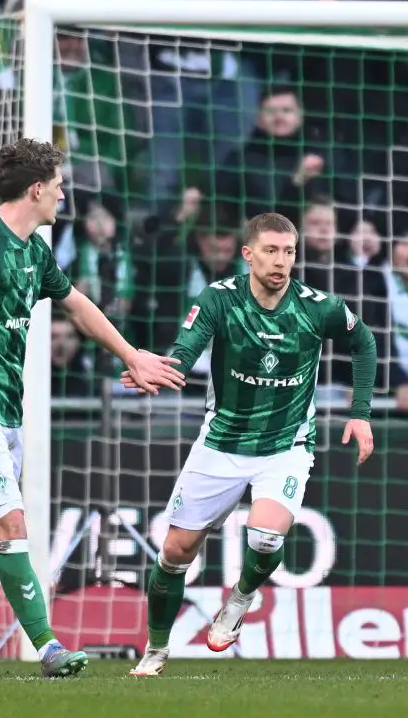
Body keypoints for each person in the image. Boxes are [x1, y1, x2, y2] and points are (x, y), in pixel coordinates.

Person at [0, 139, 185, 679]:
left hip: (5, 409)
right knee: (10, 521)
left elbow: (75, 304)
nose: (62, 195)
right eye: (57, 186)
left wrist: (132, 355)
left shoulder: (32, 251)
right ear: (36, 189)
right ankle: (49, 647)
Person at [124, 212, 377, 677]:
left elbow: (364, 342)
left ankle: (238, 601)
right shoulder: (220, 299)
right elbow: (187, 347)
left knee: (265, 534)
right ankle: (156, 650)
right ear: (248, 254)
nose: (281, 261)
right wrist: (160, 369)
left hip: (286, 444)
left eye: (289, 251)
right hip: (221, 441)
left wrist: (360, 415)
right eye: (271, 251)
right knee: (176, 552)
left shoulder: (317, 306)